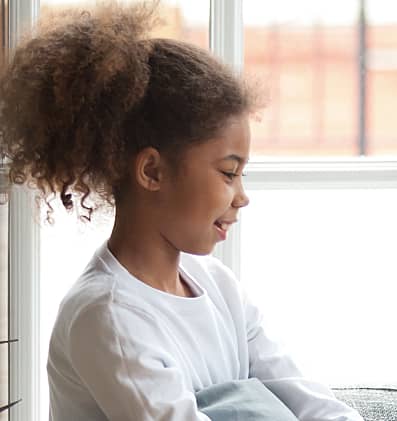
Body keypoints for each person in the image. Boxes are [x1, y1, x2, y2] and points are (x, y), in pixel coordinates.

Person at [0, 4, 361, 420]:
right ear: (152, 170)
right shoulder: (106, 315)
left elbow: (311, 402)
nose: (242, 197)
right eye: (228, 173)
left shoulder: (217, 286)